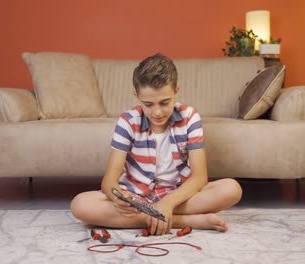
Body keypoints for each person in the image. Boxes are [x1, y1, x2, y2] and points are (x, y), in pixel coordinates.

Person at [70, 53, 242, 235]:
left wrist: (167, 203)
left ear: (176, 90)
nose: (157, 112)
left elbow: (199, 177)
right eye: (148, 104)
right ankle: (185, 220)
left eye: (165, 102)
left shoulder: (190, 117)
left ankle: (158, 215)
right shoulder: (128, 121)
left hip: (177, 196)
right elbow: (109, 181)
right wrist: (116, 198)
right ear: (136, 95)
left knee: (232, 189)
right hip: (137, 197)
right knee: (80, 205)